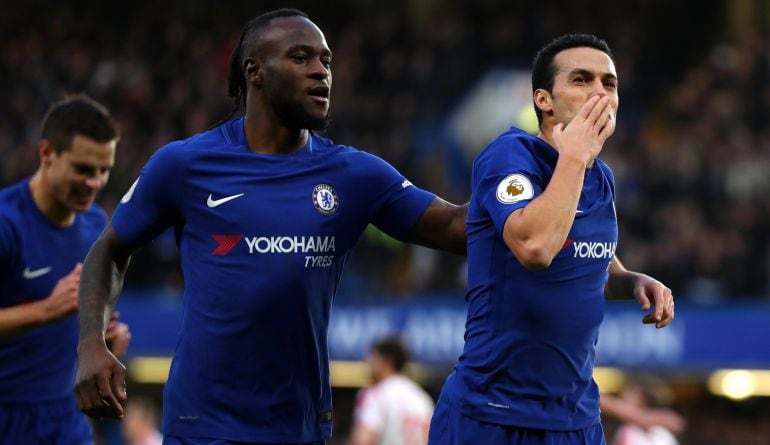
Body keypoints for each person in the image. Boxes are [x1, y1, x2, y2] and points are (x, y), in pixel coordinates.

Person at [73, 8, 466, 445]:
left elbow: (456, 226)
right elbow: (108, 250)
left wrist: (536, 164)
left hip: (299, 429)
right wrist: (92, 342)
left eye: (327, 61)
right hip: (202, 428)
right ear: (254, 72)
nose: (321, 72)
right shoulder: (184, 165)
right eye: (301, 58)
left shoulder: (354, 175)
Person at [427, 34, 676, 445]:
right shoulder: (510, 156)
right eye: (581, 80)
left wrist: (631, 280)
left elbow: (588, 262)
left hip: (575, 420)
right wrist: (574, 157)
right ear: (543, 100)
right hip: (493, 416)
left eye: (609, 84)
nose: (600, 93)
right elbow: (536, 247)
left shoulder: (601, 177)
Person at [0, 94, 131, 444]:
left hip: (64, 416)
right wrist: (44, 310)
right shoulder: (6, 224)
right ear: (47, 154)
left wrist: (101, 340)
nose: (95, 182)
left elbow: (82, 312)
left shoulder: (94, 224)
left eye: (104, 170)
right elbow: (53, 307)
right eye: (83, 169)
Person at [350, 337, 434, 445]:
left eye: (374, 357)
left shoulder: (377, 394)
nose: (368, 362)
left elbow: (363, 441)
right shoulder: (423, 399)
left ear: (387, 360)